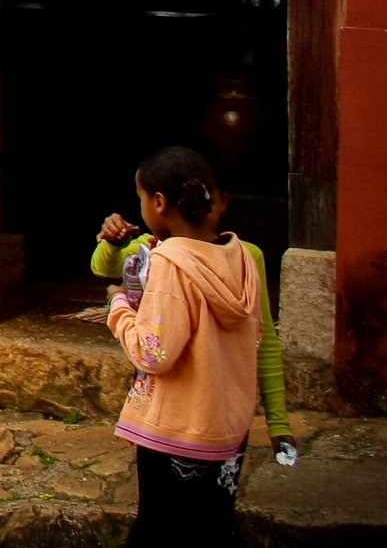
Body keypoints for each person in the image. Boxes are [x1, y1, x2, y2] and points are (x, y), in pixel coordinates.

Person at [100, 146, 279, 544]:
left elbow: (153, 351)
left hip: (178, 429)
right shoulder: (243, 256)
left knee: (160, 531)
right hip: (228, 429)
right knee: (212, 528)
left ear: (159, 203)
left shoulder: (171, 262)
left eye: (141, 198)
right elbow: (257, 337)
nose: (141, 207)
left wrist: (118, 306)